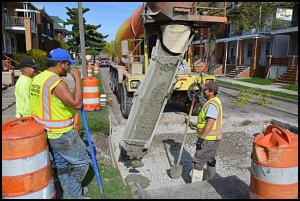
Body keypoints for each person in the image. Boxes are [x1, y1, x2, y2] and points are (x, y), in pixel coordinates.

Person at [29, 48, 90, 199]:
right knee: (82, 163)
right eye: (68, 64)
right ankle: (74, 194)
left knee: (62, 165)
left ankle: (68, 192)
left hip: (47, 132)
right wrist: (77, 79)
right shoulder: (57, 83)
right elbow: (76, 104)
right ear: (61, 64)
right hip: (62, 134)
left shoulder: (38, 78)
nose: (69, 67)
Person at [191, 81, 223, 182]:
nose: (203, 91)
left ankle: (195, 186)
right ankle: (211, 179)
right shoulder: (214, 101)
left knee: (198, 161)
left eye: (205, 90)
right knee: (210, 158)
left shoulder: (212, 104)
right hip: (214, 138)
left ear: (212, 92)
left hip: (208, 139)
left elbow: (210, 122)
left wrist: (202, 138)